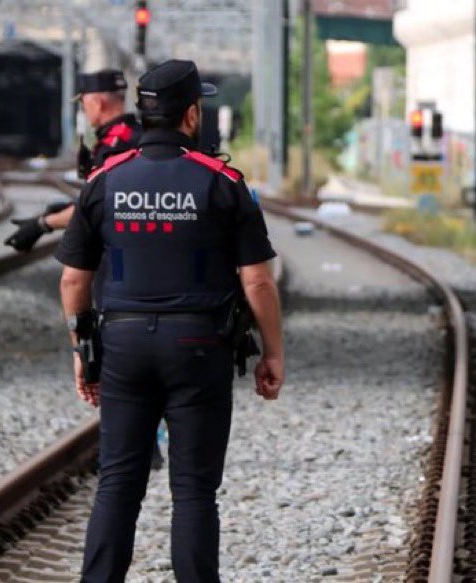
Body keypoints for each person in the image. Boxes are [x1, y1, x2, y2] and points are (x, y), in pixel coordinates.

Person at [55, 59, 285, 582]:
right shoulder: (222, 182)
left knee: (117, 483)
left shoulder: (105, 179)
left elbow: (74, 281)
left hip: (123, 345)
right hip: (199, 344)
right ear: (191, 115)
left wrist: (81, 351)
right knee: (195, 491)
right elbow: (258, 282)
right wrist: (273, 351)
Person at [5, 69, 142, 252]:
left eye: (83, 103)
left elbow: (101, 208)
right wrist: (70, 208)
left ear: (98, 103)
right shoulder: (136, 134)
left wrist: (42, 224)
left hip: (121, 251)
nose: (83, 110)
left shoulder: (115, 146)